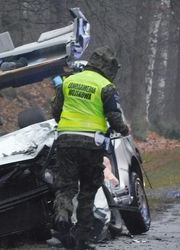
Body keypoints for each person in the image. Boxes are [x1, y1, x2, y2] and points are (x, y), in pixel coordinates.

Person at [51, 46, 129, 250]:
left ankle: (63, 214)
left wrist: (67, 126)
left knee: (66, 186)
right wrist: (124, 129)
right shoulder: (106, 86)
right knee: (87, 190)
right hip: (91, 146)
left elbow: (56, 111)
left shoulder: (69, 81)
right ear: (109, 69)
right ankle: (83, 240)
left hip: (66, 141)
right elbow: (114, 116)